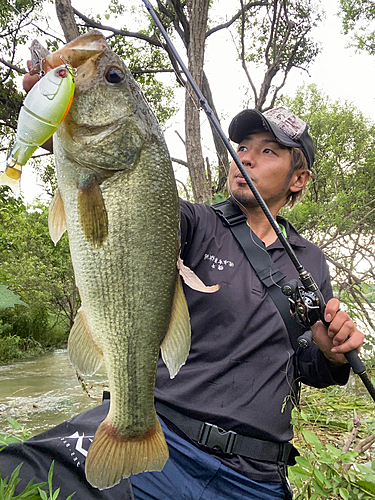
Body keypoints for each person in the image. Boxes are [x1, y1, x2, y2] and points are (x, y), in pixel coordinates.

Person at [3, 72, 364, 500]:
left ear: (298, 179)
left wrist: (330, 353)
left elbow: (308, 369)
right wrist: (65, 122)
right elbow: (125, 190)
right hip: (165, 440)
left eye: (268, 151)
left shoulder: (311, 262)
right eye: (242, 148)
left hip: (256, 476)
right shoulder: (193, 222)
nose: (245, 158)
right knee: (15, 473)